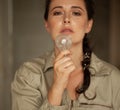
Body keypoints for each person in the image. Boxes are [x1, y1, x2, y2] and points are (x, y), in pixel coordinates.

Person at [11, 0, 120, 109]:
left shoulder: (113, 78)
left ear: (88, 25)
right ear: (47, 24)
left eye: (76, 13)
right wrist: (57, 86)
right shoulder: (27, 75)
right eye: (57, 13)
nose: (66, 19)